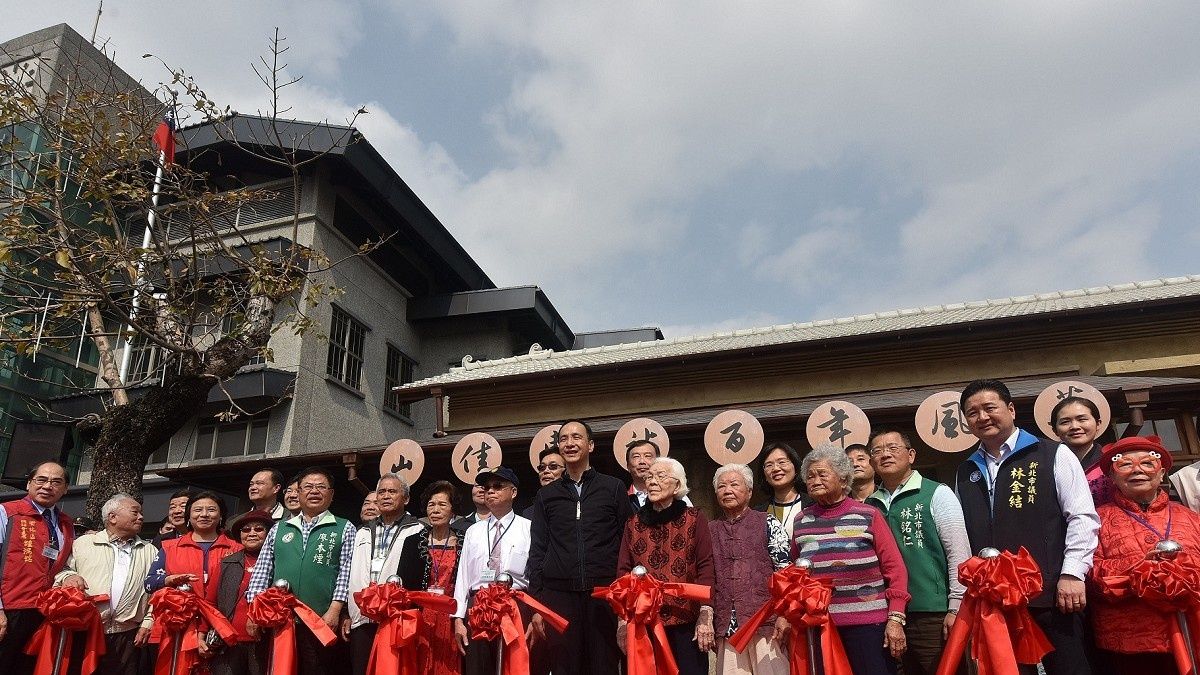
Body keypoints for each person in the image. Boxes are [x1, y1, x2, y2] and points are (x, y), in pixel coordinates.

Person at [954, 379, 1099, 675]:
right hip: (996, 599)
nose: (982, 417)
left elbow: (1082, 517)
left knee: (1070, 668)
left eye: (989, 408)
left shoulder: (1052, 454)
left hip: (1053, 594)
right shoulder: (966, 469)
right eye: (972, 412)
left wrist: (1072, 573)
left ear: (1010, 409)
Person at [526, 419, 633, 675]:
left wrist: (625, 599)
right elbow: (538, 550)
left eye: (576, 437)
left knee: (603, 666)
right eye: (563, 439)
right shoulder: (546, 495)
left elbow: (627, 544)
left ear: (591, 445)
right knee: (564, 667)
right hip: (559, 597)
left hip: (603, 596)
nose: (570, 443)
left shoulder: (613, 488)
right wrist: (538, 607)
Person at [794, 444, 909, 675]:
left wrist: (895, 618)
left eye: (822, 474)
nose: (815, 480)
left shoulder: (868, 514)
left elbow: (895, 569)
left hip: (869, 626)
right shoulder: (801, 520)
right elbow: (795, 574)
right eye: (810, 476)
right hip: (822, 627)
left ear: (843, 478)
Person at [1089, 435, 1200, 675]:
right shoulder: (1096, 520)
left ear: (1162, 474)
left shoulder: (1190, 517)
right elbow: (1092, 575)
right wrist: (1141, 569)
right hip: (1131, 639)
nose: (1137, 471)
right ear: (1111, 476)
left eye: (1148, 464)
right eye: (1125, 464)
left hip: (1192, 630)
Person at [865, 430, 971, 675]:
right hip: (885, 614)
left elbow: (959, 554)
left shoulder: (936, 493)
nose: (885, 455)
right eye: (877, 451)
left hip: (933, 612)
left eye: (893, 448)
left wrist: (956, 607)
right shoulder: (870, 505)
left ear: (911, 455)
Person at [246, 468, 355, 675]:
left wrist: (334, 610)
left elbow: (345, 572)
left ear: (331, 494)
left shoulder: (344, 527)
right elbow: (262, 571)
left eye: (321, 487)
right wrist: (253, 611)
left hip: (320, 619)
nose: (314, 491)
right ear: (298, 492)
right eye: (308, 487)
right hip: (278, 619)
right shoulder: (279, 528)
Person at [617, 457, 715, 675]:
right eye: (650, 477)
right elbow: (623, 571)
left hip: (686, 618)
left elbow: (706, 566)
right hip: (644, 620)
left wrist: (706, 614)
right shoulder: (633, 523)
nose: (652, 481)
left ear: (677, 485)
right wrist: (622, 621)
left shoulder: (694, 518)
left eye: (660, 477)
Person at [54, 493, 154, 675]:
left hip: (128, 634)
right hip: (84, 630)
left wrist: (147, 622)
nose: (141, 517)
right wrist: (68, 576)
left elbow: (156, 592)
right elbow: (60, 571)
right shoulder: (84, 543)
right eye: (135, 512)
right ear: (112, 517)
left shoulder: (150, 550)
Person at [707, 464, 790, 675]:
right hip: (727, 626)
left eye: (734, 484)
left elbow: (786, 573)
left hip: (765, 624)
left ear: (750, 491)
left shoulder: (768, 522)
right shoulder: (710, 530)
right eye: (722, 486)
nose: (727, 490)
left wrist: (784, 615)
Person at [146, 491, 242, 663]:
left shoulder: (236, 548)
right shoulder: (169, 547)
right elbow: (149, 583)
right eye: (198, 510)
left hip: (221, 627)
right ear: (189, 516)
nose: (204, 514)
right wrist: (169, 580)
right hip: (178, 627)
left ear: (221, 516)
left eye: (211, 510)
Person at [453, 467, 531, 674]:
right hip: (479, 604)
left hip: (514, 603)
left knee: (512, 665)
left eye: (497, 487)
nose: (490, 492)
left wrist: (533, 614)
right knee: (478, 667)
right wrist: (459, 619)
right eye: (487, 488)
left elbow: (535, 573)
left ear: (513, 492)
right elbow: (463, 576)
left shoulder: (528, 527)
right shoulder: (473, 530)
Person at [0, 461, 74, 675]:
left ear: (65, 489)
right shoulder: (7, 512)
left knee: (27, 668)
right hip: (10, 607)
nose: (47, 486)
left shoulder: (65, 523)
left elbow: (61, 564)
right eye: (41, 480)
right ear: (29, 484)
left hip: (43, 610)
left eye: (56, 482)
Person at [346, 474, 422, 675]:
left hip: (395, 617)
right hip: (361, 616)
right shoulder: (361, 531)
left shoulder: (418, 531)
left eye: (392, 491)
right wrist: (347, 611)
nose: (386, 496)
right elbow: (348, 573)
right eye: (381, 492)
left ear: (405, 499)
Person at [393, 481, 462, 675]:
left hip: (451, 617)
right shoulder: (412, 542)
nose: (436, 510)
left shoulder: (465, 541)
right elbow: (403, 583)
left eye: (442, 505)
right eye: (431, 505)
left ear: (452, 510)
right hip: (420, 617)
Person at [211, 509, 273, 675]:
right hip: (230, 642)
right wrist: (203, 633)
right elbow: (210, 602)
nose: (251, 533)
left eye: (258, 529)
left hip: (265, 641)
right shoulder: (227, 562)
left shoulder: (278, 561)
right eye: (246, 530)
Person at [1052, 397, 1113, 507]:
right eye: (1065, 422)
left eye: (1082, 419)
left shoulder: (1112, 462)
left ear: (1098, 423)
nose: (1074, 427)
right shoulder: (1048, 465)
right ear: (1055, 430)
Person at [757, 443, 811, 541]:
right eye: (769, 465)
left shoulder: (813, 505)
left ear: (795, 467)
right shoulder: (758, 513)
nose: (776, 469)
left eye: (782, 462)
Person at [522, 448, 567, 520]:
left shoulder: (576, 505)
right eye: (542, 467)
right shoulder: (528, 513)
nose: (546, 471)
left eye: (553, 466)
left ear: (566, 471)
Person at [626, 438, 659, 509]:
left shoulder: (670, 496)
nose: (642, 461)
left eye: (647, 456)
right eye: (636, 456)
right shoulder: (621, 498)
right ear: (628, 466)